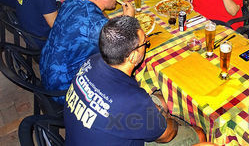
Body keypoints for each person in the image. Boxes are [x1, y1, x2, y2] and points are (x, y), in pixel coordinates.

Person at [64, 16, 206, 145]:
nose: (146, 45)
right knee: (198, 134)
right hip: (125, 121)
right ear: (132, 57)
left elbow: (132, 106)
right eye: (145, 43)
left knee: (162, 100)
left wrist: (151, 114)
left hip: (88, 135)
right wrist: (170, 121)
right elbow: (166, 135)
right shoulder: (131, 99)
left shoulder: (92, 61)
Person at [40, 0, 134, 103]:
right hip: (64, 88)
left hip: (46, 68)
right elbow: (122, 46)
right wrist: (127, 19)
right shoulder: (95, 26)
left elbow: (95, 19)